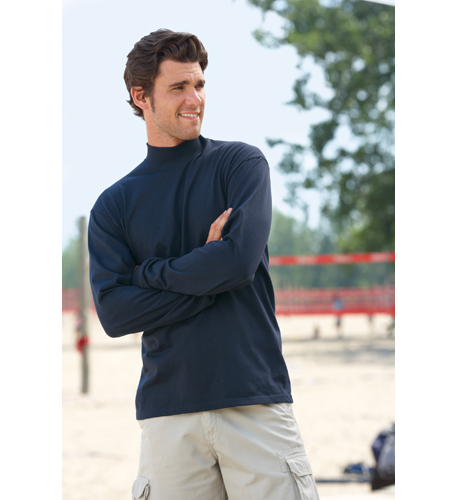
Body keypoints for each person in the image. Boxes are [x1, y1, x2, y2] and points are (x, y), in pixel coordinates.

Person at [88, 29, 320, 500]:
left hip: (253, 399)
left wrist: (149, 274)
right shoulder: (114, 205)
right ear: (141, 97)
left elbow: (236, 265)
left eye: (199, 85)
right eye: (178, 87)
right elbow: (115, 314)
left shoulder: (240, 164)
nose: (194, 99)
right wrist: (205, 274)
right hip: (167, 412)